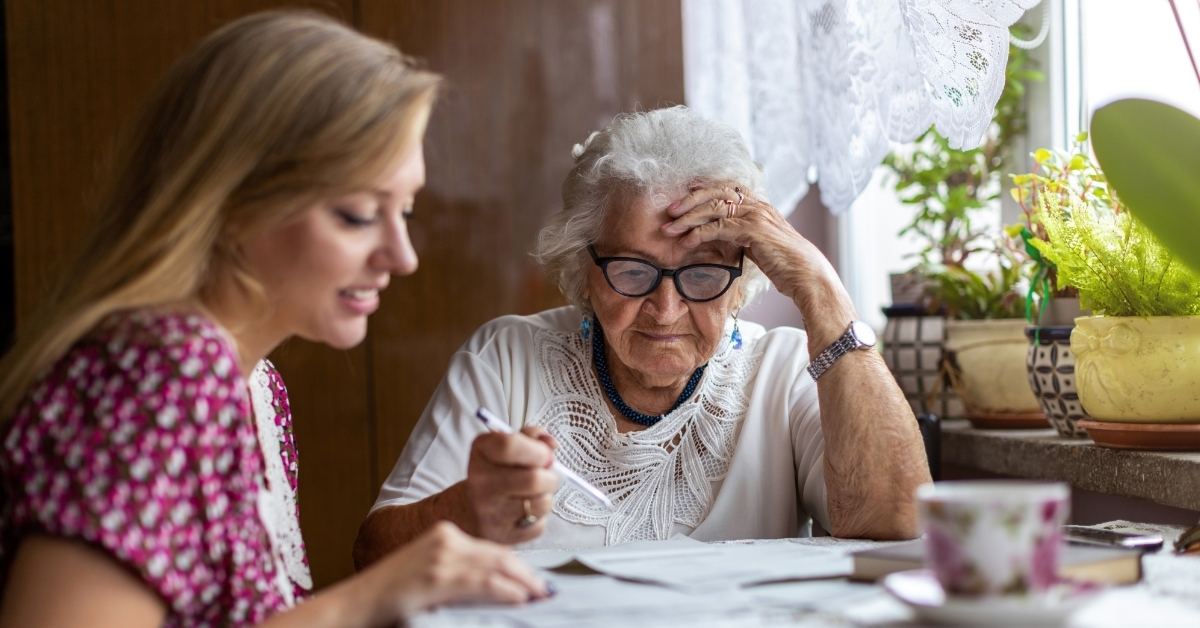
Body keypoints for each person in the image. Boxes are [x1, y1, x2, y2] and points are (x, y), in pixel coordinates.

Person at [0, 11, 551, 628]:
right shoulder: (162, 371)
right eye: (357, 214)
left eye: (407, 212)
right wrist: (368, 598)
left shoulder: (257, 386)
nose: (403, 257)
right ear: (232, 203)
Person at [354, 106, 931, 563]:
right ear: (584, 270)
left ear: (739, 279)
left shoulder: (782, 372)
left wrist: (820, 288)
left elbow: (901, 524)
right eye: (633, 271)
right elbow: (375, 554)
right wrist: (466, 507)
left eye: (703, 273)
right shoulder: (507, 358)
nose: (666, 308)